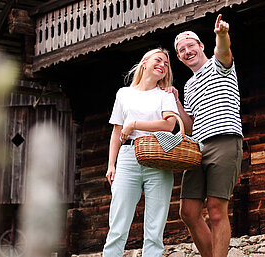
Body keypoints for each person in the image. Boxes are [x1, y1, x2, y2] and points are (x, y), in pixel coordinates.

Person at [167, 14, 243, 257]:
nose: (188, 51)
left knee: (216, 210)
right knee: (188, 211)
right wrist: (176, 101)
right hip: (197, 147)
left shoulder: (218, 65)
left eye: (191, 45)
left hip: (224, 140)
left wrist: (221, 34)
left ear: (201, 46)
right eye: (182, 49)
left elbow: (223, 51)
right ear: (179, 57)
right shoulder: (188, 86)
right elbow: (188, 127)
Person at [103, 48, 179, 257]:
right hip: (127, 158)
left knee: (155, 229)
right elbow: (117, 130)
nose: (162, 65)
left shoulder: (165, 95)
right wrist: (111, 164)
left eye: (166, 64)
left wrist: (135, 124)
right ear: (144, 62)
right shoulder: (124, 93)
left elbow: (170, 124)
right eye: (158, 60)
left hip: (159, 158)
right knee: (118, 223)